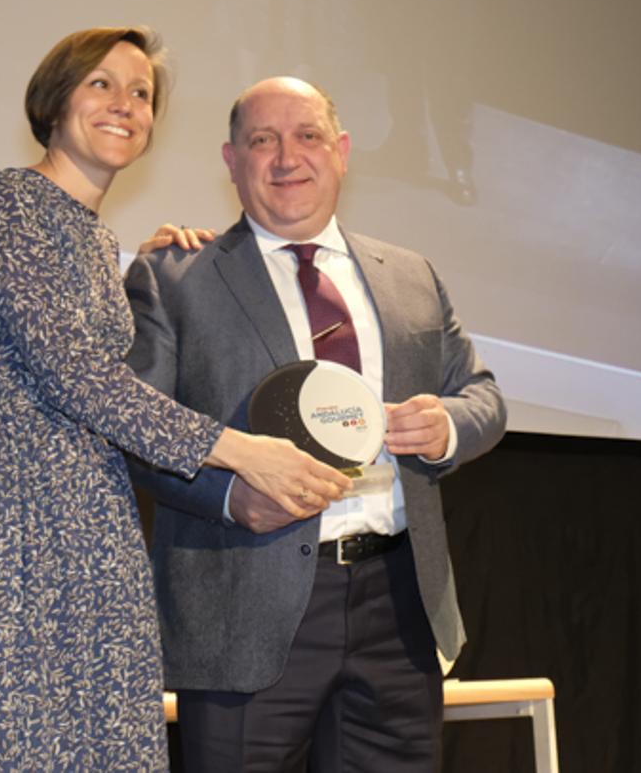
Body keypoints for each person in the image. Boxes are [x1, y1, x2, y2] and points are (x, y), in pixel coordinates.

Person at [0, 30, 349, 771]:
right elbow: (70, 372)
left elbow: (80, 350)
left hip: (85, 517)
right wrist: (239, 449)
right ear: (54, 101)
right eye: (100, 84)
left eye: (141, 93)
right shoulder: (8, 201)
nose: (124, 104)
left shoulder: (93, 238)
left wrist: (140, 264)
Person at [126, 75, 507, 771]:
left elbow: (482, 395)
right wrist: (228, 497)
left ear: (341, 151)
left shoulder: (411, 275)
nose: (285, 157)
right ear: (229, 160)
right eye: (261, 141)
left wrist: (446, 424)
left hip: (398, 608)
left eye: (306, 136)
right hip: (244, 610)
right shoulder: (175, 278)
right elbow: (136, 434)